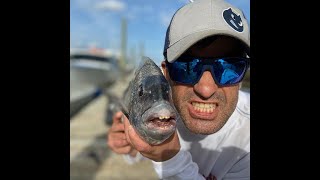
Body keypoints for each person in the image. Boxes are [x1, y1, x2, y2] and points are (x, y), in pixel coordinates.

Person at [107, 0, 250, 179]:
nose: (206, 89)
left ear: (242, 76)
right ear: (166, 73)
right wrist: (131, 148)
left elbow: (162, 155)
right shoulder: (161, 110)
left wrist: (170, 160)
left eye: (229, 68)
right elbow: (143, 153)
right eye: (187, 67)